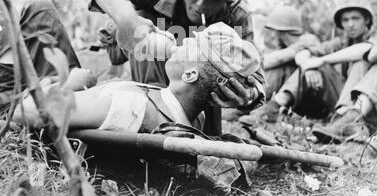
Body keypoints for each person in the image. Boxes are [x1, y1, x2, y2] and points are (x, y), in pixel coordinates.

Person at [81, 0, 265, 135]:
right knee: (143, 14)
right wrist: (127, 19)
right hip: (142, 83)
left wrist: (247, 94)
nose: (201, 4)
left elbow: (256, 82)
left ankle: (198, 131)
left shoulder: (236, 15)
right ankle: (151, 107)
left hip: (199, 115)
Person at [13, 23, 261, 135]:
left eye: (190, 44)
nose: (181, 41)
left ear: (190, 74)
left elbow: (24, 114)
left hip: (24, 101)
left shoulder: (133, 107)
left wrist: (71, 82)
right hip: (66, 96)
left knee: (40, 13)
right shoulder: (196, 117)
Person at [242, 0, 375, 127]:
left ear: (367, 20)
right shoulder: (339, 43)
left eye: (355, 18)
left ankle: (345, 120)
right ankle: (272, 107)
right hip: (338, 101)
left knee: (359, 62)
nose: (350, 24)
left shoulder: (373, 40)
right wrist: (309, 67)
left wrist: (322, 61)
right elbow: (303, 53)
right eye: (345, 20)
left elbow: (365, 50)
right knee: (314, 63)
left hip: (365, 105)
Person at [0, 0, 83, 116]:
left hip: (28, 73)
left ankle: (62, 84)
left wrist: (49, 80)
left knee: (40, 7)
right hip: (8, 98)